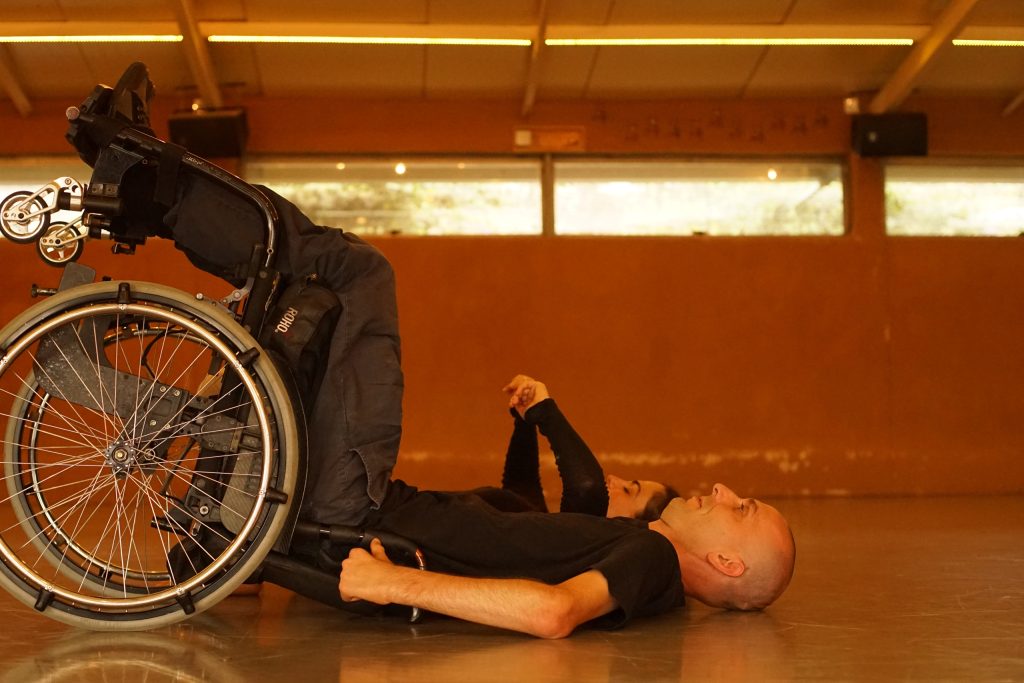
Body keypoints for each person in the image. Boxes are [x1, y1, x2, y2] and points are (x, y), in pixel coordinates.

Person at [66, 63, 796, 638]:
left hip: (357, 512)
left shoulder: (653, 560)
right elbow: (529, 510)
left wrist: (394, 584)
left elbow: (554, 614)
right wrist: (528, 423)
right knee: (295, 326)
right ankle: (126, 275)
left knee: (356, 275)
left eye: (742, 507)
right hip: (360, 504)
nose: (722, 490)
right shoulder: (621, 542)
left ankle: (153, 188)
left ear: (727, 563)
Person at [467, 374, 679, 521]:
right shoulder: (555, 539)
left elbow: (587, 487)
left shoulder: (575, 553)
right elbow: (520, 493)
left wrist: (545, 412)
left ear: (631, 525)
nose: (613, 478)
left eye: (627, 490)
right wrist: (526, 420)